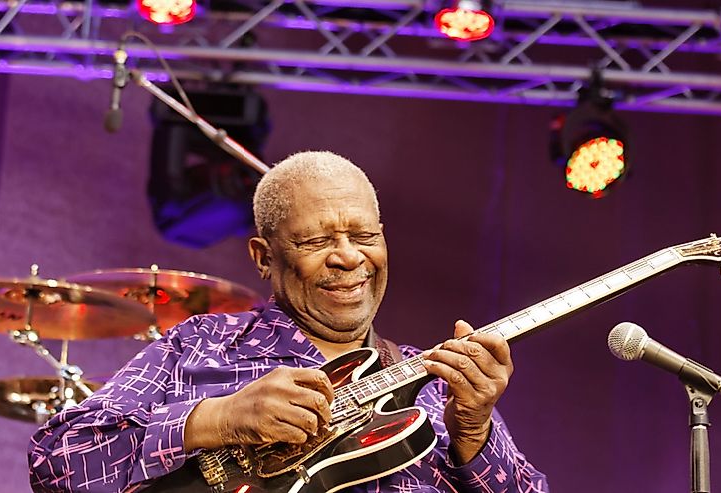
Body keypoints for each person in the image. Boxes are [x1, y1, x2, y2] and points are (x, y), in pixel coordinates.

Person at [28, 151, 549, 493]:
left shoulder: (437, 381)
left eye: (364, 236)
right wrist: (216, 419)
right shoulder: (201, 346)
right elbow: (55, 461)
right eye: (316, 241)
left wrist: (475, 432)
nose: (349, 258)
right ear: (263, 257)